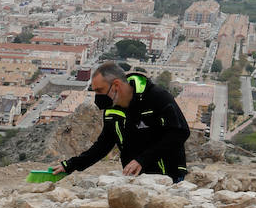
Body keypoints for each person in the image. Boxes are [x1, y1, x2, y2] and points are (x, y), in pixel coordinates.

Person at [53, 61, 190, 182]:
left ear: (116, 85)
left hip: (168, 176)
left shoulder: (156, 97)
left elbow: (180, 132)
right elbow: (103, 145)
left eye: (100, 90)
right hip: (135, 179)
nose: (97, 97)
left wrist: (142, 160)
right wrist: (70, 165)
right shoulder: (112, 110)